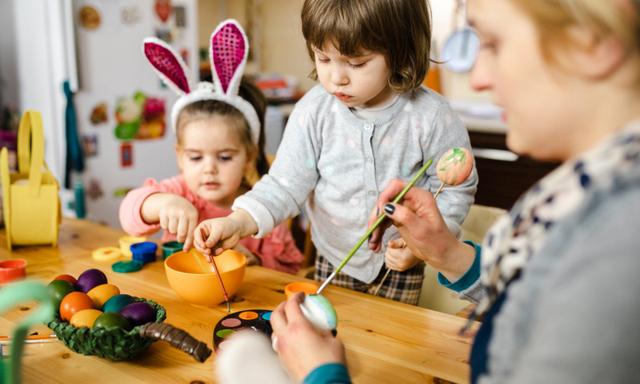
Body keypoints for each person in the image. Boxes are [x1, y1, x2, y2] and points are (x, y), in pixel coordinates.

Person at [269, 0, 640, 382]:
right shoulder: (583, 195)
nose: (477, 77)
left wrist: (321, 374)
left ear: (591, 43)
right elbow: (529, 305)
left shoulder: (615, 246)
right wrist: (450, 255)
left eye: (493, 43)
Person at [193, 0, 478, 304]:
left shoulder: (432, 116)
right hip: (332, 257)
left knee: (388, 343)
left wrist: (425, 244)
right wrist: (237, 221)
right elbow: (283, 185)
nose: (336, 77)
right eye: (322, 57)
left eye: (356, 63)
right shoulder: (313, 112)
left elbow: (454, 190)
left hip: (400, 262)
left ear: (400, 51)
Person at [119, 20, 303, 274]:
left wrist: (256, 263)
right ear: (180, 156)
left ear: (249, 156)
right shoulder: (179, 192)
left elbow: (291, 269)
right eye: (195, 158)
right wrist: (162, 204)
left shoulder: (262, 207)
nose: (209, 169)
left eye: (225, 157)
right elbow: (128, 212)